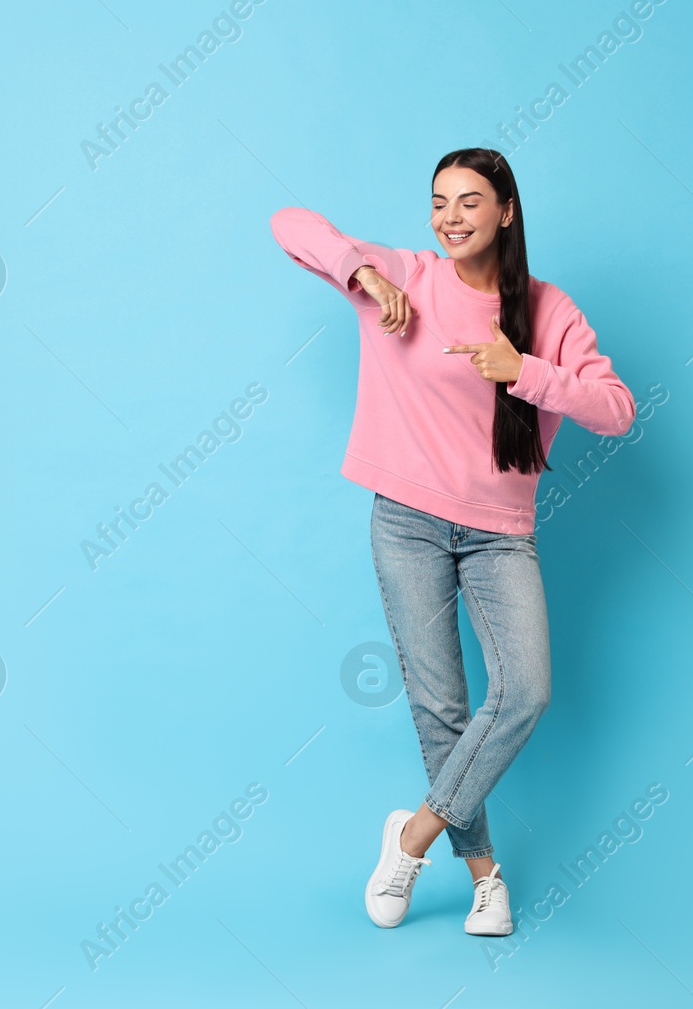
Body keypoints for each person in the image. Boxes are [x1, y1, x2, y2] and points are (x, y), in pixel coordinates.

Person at [268, 147, 636, 937]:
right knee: (441, 706)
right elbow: (289, 224)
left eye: (469, 201)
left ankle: (411, 837)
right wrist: (362, 276)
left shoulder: (548, 309)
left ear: (506, 210)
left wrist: (526, 370)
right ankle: (486, 878)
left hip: (501, 535)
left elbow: (616, 408)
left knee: (525, 690)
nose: (450, 217)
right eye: (439, 201)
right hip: (405, 521)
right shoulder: (405, 276)